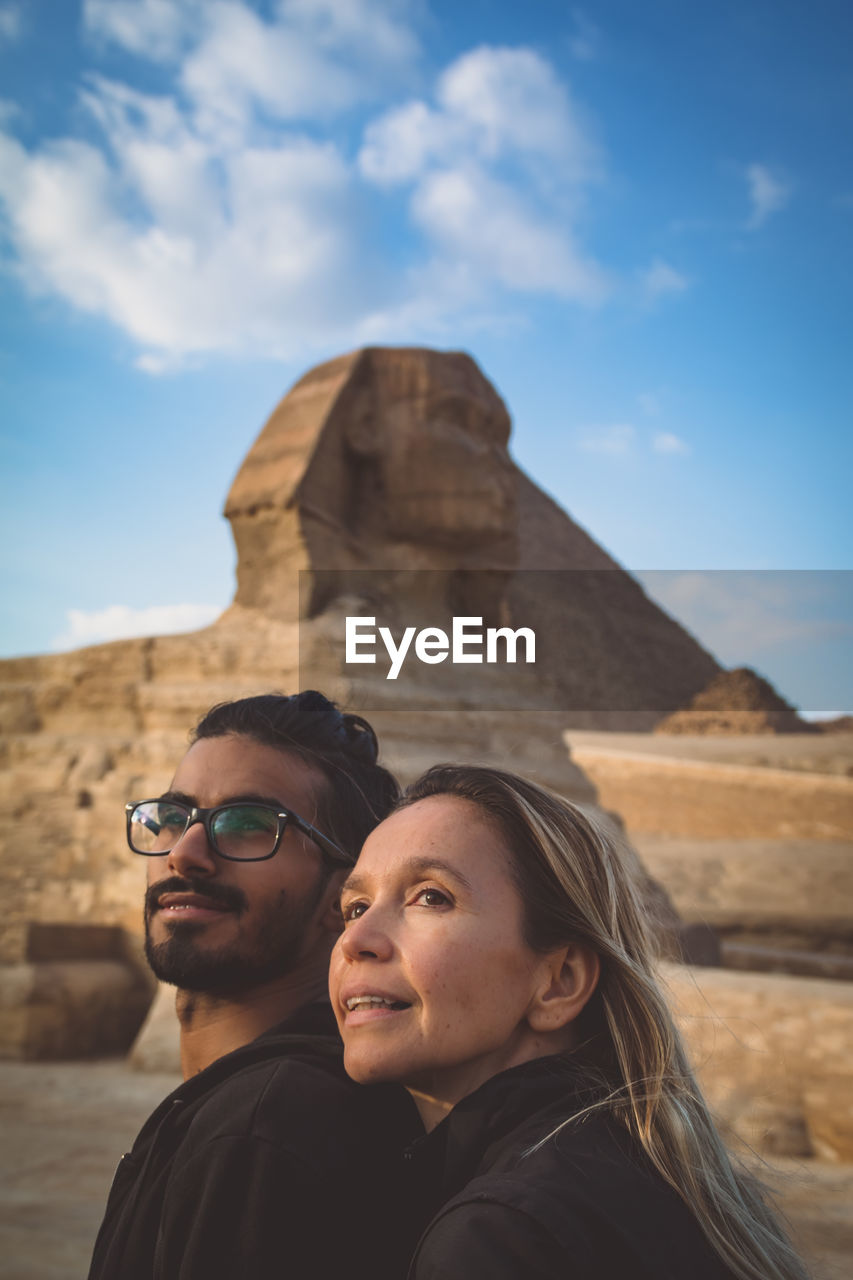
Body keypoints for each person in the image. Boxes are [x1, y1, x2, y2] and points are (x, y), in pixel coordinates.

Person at [330, 764, 809, 1280]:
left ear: (559, 980)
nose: (357, 941)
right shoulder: (645, 1178)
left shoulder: (502, 1236)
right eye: (355, 906)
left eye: (431, 897)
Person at [88, 690, 415, 1280]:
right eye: (170, 817)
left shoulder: (266, 1128)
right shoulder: (251, 1101)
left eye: (247, 826)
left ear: (345, 899)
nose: (183, 855)